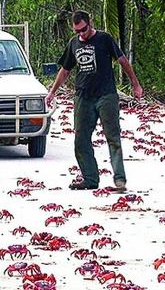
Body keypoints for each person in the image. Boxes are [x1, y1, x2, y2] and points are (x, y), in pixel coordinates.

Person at [45, 10, 143, 191]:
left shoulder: (104, 39)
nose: (81, 34)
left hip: (106, 95)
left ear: (90, 23)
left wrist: (135, 84)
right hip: (83, 96)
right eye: (77, 31)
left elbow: (122, 61)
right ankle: (90, 178)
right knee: (80, 139)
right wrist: (52, 92)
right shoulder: (73, 44)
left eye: (83, 29)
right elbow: (65, 70)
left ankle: (119, 179)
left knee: (112, 137)